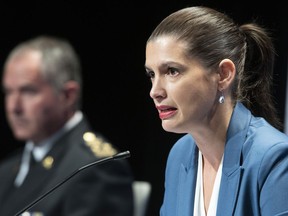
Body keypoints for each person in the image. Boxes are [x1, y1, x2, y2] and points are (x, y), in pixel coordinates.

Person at [144, 6, 288, 216]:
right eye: (151, 74)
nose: (155, 91)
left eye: (172, 71)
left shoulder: (274, 159)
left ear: (223, 75)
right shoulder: (179, 155)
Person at [0, 35, 134, 216]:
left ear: (68, 96)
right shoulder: (8, 169)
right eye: (8, 92)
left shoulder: (96, 168)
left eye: (28, 91)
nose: (13, 107)